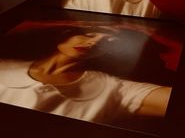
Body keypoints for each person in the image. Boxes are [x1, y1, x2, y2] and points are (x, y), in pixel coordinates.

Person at [0, 20, 175, 127]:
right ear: (66, 34)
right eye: (89, 34)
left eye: (108, 42)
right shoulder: (5, 66)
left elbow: (177, 103)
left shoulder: (112, 88)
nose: (93, 42)